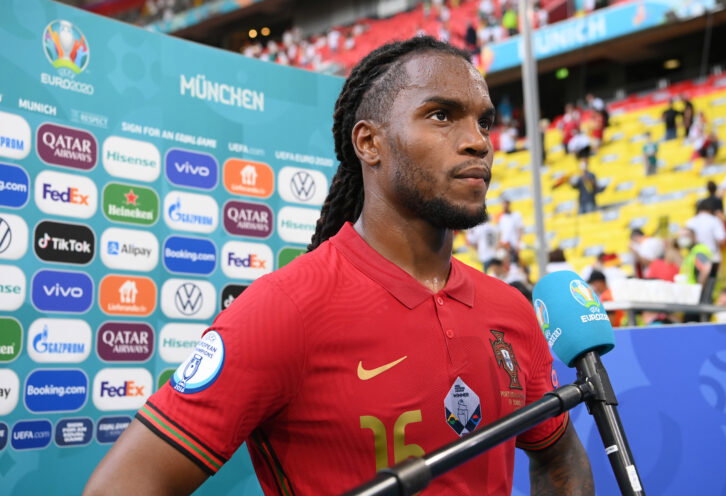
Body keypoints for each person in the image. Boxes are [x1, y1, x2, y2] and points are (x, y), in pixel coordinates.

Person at [84, 37, 594, 496]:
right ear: (368, 143)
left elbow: (557, 455)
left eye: (483, 121)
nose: (478, 141)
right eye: (442, 115)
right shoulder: (284, 309)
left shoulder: (510, 310)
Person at [685, 198, 726, 263]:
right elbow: (721, 240)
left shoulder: (690, 222)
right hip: (712, 255)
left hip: (696, 257)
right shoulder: (714, 220)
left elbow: (686, 242)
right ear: (710, 209)